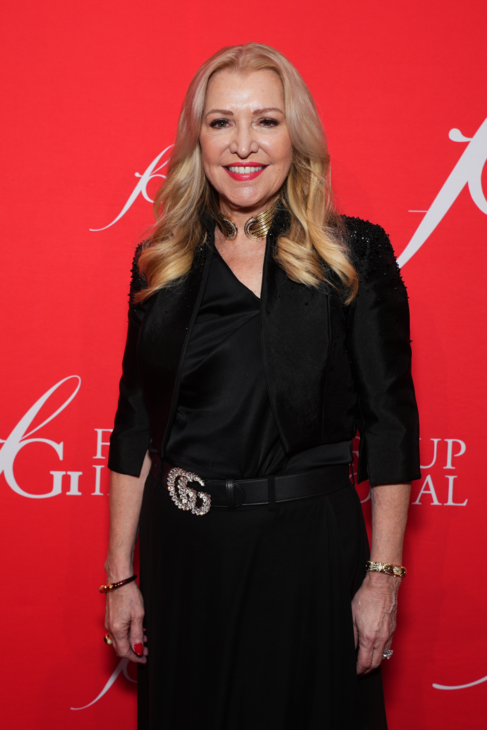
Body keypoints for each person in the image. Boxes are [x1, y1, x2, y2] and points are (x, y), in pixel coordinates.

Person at [101, 42, 420, 730]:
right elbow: (134, 424)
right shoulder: (159, 261)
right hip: (184, 554)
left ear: (294, 135)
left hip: (308, 554)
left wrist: (382, 576)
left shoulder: (352, 252)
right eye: (221, 122)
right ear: (198, 139)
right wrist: (120, 575)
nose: (242, 144)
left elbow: (390, 425)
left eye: (266, 121)